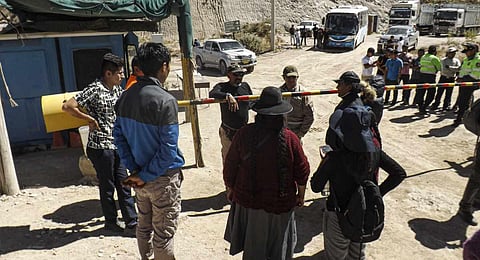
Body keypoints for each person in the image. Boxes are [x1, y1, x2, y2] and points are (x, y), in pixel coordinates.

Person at [311, 71, 405, 260]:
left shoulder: (335, 157)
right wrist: (376, 192)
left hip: (338, 214)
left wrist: (325, 162)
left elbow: (315, 186)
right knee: (357, 255)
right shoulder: (374, 151)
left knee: (337, 255)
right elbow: (399, 173)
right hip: (363, 213)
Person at [114, 42, 185, 260]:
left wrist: (135, 171)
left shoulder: (125, 97)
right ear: (164, 67)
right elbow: (167, 152)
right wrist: (144, 175)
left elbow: (119, 137)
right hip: (162, 179)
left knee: (144, 227)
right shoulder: (166, 101)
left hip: (139, 178)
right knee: (163, 234)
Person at [223, 86, 310, 260]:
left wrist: (230, 189)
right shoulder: (290, 138)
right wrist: (301, 195)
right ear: (281, 114)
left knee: (254, 249)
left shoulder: (243, 133)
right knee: (279, 250)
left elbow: (230, 166)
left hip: (249, 202)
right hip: (281, 204)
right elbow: (302, 170)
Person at [62, 53, 138, 234]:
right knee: (108, 185)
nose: (122, 76)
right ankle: (111, 223)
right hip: (101, 147)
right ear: (108, 74)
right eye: (119, 73)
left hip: (117, 145)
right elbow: (67, 106)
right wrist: (87, 118)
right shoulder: (95, 89)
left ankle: (132, 222)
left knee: (124, 184)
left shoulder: (118, 90)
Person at [209, 65, 253, 163]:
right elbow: (212, 93)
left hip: (244, 132)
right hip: (228, 132)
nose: (239, 77)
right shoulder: (222, 87)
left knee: (245, 161)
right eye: (236, 74)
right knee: (229, 161)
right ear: (229, 75)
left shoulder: (245, 86)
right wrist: (227, 95)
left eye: (241, 74)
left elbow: (252, 101)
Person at [279, 65, 314, 140]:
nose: (291, 80)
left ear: (297, 77)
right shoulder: (279, 92)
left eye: (294, 77)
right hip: (281, 130)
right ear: (283, 77)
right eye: (288, 77)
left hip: (296, 131)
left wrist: (300, 133)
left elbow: (309, 116)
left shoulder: (303, 94)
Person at [453, 43, 480, 127]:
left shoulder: (478, 60)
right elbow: (463, 70)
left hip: (471, 84)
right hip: (464, 83)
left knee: (464, 102)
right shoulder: (466, 59)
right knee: (462, 101)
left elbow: (476, 75)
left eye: (467, 51)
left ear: (474, 51)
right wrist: (459, 77)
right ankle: (461, 117)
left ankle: (460, 119)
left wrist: (462, 79)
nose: (466, 53)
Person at [431, 47, 461, 111]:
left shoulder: (456, 60)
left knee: (449, 93)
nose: (453, 54)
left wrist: (449, 67)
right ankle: (436, 104)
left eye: (454, 53)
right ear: (448, 53)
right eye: (451, 53)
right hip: (443, 77)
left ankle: (446, 105)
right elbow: (444, 69)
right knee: (439, 92)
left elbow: (458, 69)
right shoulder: (443, 60)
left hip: (451, 78)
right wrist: (453, 69)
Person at [417, 45, 442, 113]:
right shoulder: (434, 58)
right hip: (430, 77)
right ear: (435, 51)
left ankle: (420, 106)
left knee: (421, 92)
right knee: (431, 93)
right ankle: (424, 106)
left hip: (421, 75)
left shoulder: (423, 57)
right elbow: (439, 68)